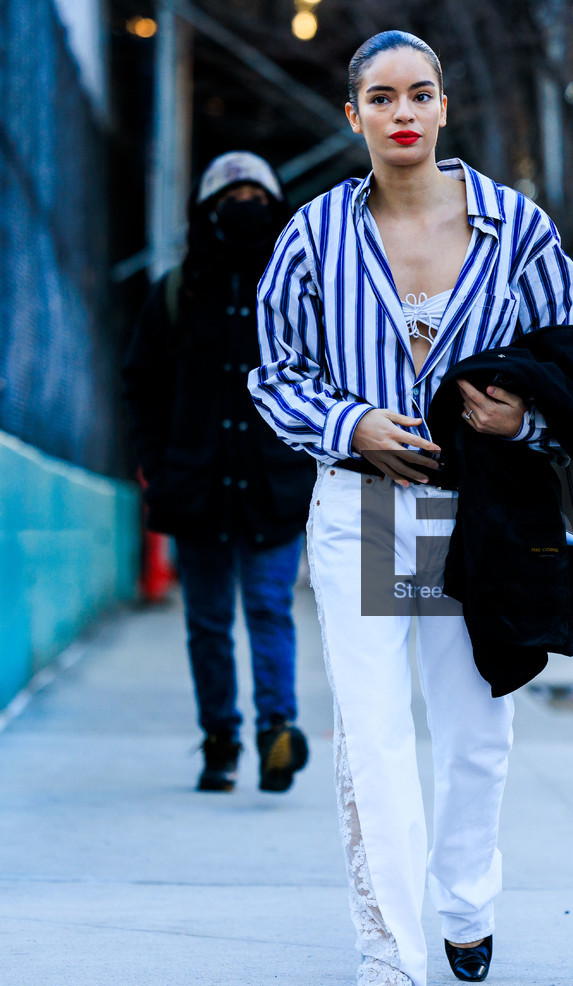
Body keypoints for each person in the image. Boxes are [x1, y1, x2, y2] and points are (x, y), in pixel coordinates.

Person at [249, 30, 573, 986]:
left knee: (477, 727)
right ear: (352, 114)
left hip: (477, 512)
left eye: (421, 94)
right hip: (358, 508)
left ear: (443, 106)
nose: (403, 112)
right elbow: (273, 372)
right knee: (374, 736)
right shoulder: (313, 236)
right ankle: (388, 953)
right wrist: (350, 422)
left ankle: (466, 901)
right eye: (381, 97)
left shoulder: (516, 229)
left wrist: (521, 421)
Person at [125, 152, 317, 794]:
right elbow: (141, 384)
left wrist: (308, 461)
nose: (244, 210)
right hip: (196, 489)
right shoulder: (175, 294)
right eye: (231, 200)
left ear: (276, 210)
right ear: (206, 212)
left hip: (274, 488)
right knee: (207, 622)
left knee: (268, 609)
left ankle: (276, 734)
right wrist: (157, 465)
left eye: (257, 200)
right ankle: (220, 742)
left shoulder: (299, 296)